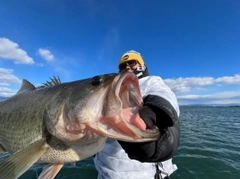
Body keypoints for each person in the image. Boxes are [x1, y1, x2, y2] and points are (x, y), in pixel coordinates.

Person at [94, 50, 180, 179]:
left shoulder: (151, 81)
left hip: (147, 175)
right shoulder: (111, 88)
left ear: (141, 65)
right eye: (123, 66)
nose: (127, 67)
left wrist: (156, 111)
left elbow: (164, 95)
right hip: (106, 173)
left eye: (132, 63)